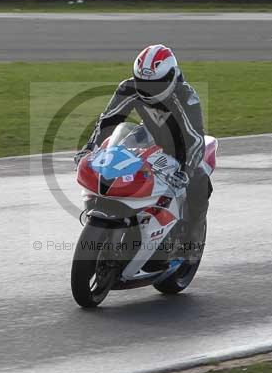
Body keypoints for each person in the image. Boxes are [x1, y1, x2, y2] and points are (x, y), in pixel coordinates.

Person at [74, 44, 212, 262]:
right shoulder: (129, 88)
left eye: (156, 84)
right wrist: (90, 148)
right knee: (110, 155)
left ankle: (193, 238)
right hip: (147, 135)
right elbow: (109, 120)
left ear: (171, 77)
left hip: (182, 149)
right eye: (143, 83)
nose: (148, 90)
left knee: (200, 180)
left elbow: (194, 139)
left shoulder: (186, 97)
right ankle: (108, 208)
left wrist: (186, 171)